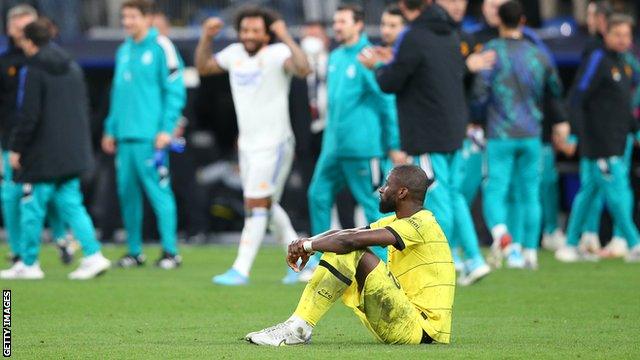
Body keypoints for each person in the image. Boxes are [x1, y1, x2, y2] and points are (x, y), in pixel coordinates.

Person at [245, 165, 455, 346]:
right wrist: (304, 244)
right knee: (344, 244)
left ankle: (298, 327)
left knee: (349, 248)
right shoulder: (398, 222)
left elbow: (349, 241)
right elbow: (345, 234)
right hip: (407, 319)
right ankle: (298, 325)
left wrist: (308, 246)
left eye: (387, 184)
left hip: (421, 330)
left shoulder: (422, 224)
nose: (381, 190)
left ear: (401, 192)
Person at [359, 0, 488, 285]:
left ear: (404, 6)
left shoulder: (413, 36)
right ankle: (475, 260)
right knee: (454, 196)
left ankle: (443, 265)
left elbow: (391, 81)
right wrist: (391, 58)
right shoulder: (450, 34)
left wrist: (376, 66)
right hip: (454, 129)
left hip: (429, 133)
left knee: (438, 199)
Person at [195, 6, 311, 285]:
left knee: (256, 205)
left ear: (266, 34)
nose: (248, 35)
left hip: (275, 144)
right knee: (267, 205)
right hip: (247, 146)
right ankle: (305, 262)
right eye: (245, 30)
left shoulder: (277, 53)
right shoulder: (234, 54)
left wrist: (285, 34)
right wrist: (206, 37)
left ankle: (241, 268)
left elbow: (304, 68)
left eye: (255, 30)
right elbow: (203, 66)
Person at [0, 19, 110, 280]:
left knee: (32, 205)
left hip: (44, 152)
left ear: (28, 41)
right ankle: (94, 255)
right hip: (72, 150)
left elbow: (29, 115)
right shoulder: (73, 66)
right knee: (72, 203)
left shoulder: (33, 69)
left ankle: (28, 263)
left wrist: (16, 148)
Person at [472, 1, 568, 269]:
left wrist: (475, 118)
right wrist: (560, 122)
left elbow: (480, 94)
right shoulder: (539, 54)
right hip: (531, 135)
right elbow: (555, 91)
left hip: (500, 135)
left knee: (497, 190)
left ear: (499, 21)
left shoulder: (490, 52)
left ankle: (505, 240)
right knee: (530, 193)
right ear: (523, 21)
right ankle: (529, 252)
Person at [102, 0, 186, 269]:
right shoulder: (123, 49)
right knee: (127, 195)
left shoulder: (162, 46)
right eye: (124, 17)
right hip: (125, 137)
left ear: (147, 18)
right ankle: (134, 251)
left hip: (151, 138)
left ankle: (171, 252)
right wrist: (110, 128)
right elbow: (117, 93)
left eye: (133, 17)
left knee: (159, 193)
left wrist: (166, 129)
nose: (127, 22)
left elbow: (175, 90)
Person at [556, 14, 640, 263]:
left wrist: (635, 130)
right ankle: (634, 242)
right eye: (618, 35)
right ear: (607, 34)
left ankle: (570, 244)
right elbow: (577, 98)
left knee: (589, 193)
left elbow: (623, 107)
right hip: (601, 142)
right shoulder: (598, 60)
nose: (623, 40)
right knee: (616, 193)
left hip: (616, 139)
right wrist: (573, 133)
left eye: (627, 35)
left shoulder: (624, 64)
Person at [0, 4, 74, 266]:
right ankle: (19, 251)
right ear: (9, 29)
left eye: (28, 27)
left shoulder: (53, 62)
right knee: (11, 195)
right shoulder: (6, 63)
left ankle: (61, 239)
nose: (23, 33)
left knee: (49, 194)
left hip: (46, 140)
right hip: (12, 139)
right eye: (18, 27)